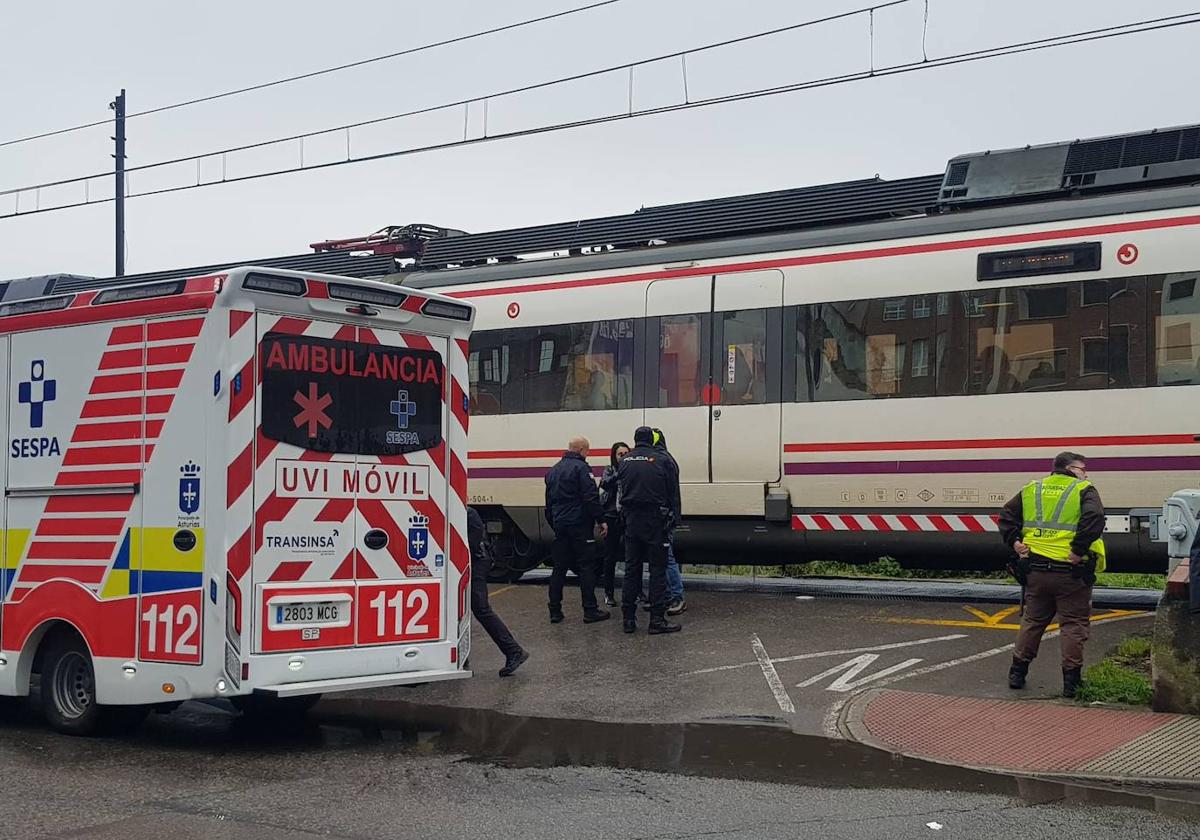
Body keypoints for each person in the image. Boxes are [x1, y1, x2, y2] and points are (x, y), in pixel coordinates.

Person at [998, 451, 1106, 698]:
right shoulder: (1083, 489)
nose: (1085, 473)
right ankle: (1071, 684)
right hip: (1070, 572)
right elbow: (1095, 517)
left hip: (1035, 570)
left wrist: (1014, 542)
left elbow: (1006, 516)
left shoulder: (1033, 489)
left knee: (1033, 622)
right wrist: (1078, 550)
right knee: (1073, 625)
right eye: (1081, 468)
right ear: (1069, 468)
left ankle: (1017, 673)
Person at [618, 426, 681, 635]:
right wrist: (674, 520)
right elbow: (673, 494)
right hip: (656, 522)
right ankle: (656, 620)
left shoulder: (625, 461)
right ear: (652, 440)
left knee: (631, 570)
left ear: (635, 440)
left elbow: (620, 491)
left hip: (631, 522)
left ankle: (628, 619)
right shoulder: (662, 460)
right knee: (657, 571)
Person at [544, 436, 610, 624]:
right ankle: (590, 610)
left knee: (559, 568)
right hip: (579, 525)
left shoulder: (553, 471)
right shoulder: (581, 469)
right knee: (586, 566)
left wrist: (555, 523)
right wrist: (601, 519)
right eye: (587, 451)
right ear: (582, 449)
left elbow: (548, 505)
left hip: (560, 525)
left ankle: (555, 611)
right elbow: (590, 498)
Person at [466, 507, 528, 677]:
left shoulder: (467, 513)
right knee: (457, 610)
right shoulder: (463, 511)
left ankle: (513, 651)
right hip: (472, 563)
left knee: (481, 608)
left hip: (475, 563)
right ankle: (459, 658)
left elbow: (472, 545)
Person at [651, 428, 686, 615]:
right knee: (662, 558)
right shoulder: (666, 459)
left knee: (667, 558)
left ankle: (677, 597)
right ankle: (665, 596)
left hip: (664, 517)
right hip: (666, 516)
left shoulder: (663, 461)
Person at [598, 441, 630, 607]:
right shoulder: (610, 470)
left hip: (627, 516)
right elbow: (604, 483)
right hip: (611, 516)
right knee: (610, 556)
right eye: (620, 454)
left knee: (632, 555)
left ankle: (635, 591)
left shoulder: (633, 470)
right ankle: (608, 593)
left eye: (626, 454)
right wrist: (619, 474)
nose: (623, 457)